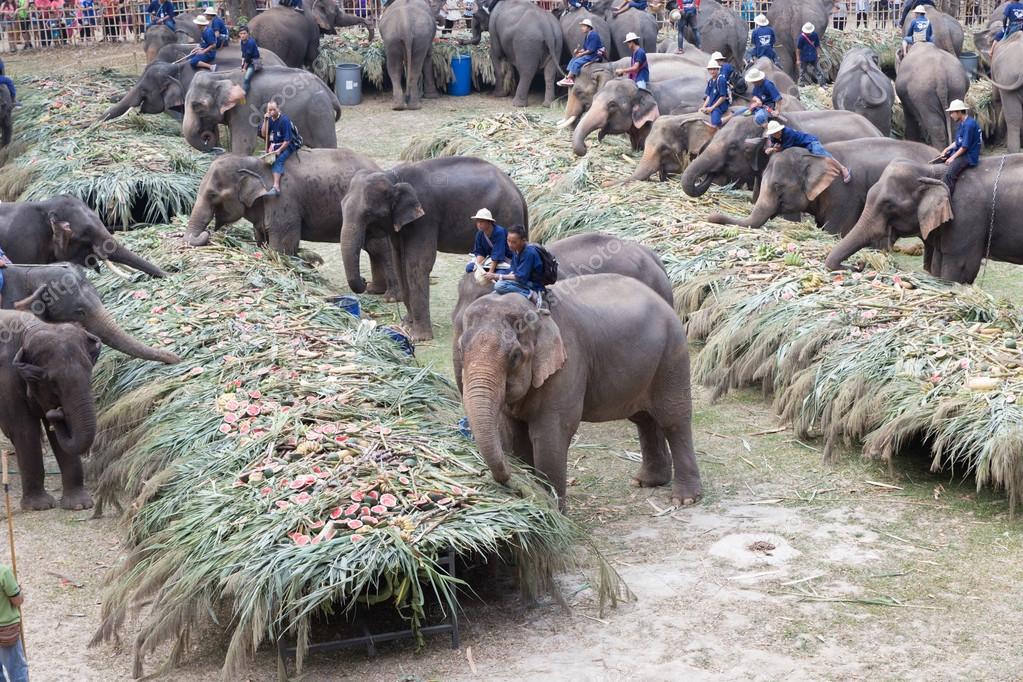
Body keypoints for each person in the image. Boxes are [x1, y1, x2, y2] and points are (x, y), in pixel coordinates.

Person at [764, 119, 852, 183]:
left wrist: (773, 149)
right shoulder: (772, 137)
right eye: (775, 133)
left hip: (809, 142)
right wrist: (771, 148)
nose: (777, 134)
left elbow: (783, 148)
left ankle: (842, 168)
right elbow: (773, 145)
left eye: (778, 131)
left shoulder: (788, 133)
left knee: (822, 154)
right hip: (799, 148)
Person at [485, 224, 545, 306]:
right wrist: (505, 277)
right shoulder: (516, 250)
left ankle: (530, 294)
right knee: (496, 290)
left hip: (532, 283)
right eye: (508, 241)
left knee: (499, 286)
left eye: (513, 242)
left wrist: (497, 276)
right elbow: (514, 270)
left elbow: (520, 276)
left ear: (523, 240)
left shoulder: (529, 253)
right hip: (523, 280)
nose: (510, 244)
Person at [936, 99, 981, 195]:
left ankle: (947, 196)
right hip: (963, 151)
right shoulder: (962, 123)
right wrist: (947, 149)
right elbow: (958, 142)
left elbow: (964, 147)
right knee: (943, 158)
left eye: (952, 113)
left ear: (959, 112)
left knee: (949, 174)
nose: (951, 115)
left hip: (969, 155)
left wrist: (952, 158)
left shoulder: (969, 125)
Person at [262, 101, 296, 197]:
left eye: (274, 109)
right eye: (270, 110)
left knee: (278, 160)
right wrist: (265, 121)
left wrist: (279, 150)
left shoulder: (284, 120)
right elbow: (264, 134)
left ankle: (276, 187)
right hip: (274, 145)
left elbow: (287, 140)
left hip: (288, 145)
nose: (272, 112)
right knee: (266, 160)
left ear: (278, 109)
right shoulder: (269, 120)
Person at [558, 18, 604, 87]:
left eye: (584, 26)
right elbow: (585, 48)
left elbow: (591, 50)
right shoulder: (587, 35)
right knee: (574, 58)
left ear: (589, 27)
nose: (582, 28)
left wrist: (581, 54)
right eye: (582, 26)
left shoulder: (593, 35)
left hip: (595, 55)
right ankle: (569, 76)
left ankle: (569, 78)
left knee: (577, 62)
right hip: (590, 54)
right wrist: (578, 51)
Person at [0, 563, 26, 682]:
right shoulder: (3, 571)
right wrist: (19, 590)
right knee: (17, 670)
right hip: (5, 632)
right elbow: (17, 601)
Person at [465, 208, 510, 276]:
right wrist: (477, 267)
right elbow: (480, 252)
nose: (479, 224)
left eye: (482, 221)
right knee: (469, 268)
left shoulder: (499, 232)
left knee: (499, 274)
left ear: (489, 222)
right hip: (489, 260)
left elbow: (497, 255)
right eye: (477, 221)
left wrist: (490, 272)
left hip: (503, 260)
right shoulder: (479, 234)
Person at [700, 58, 730, 133]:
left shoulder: (721, 80)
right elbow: (709, 95)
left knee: (715, 123)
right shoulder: (710, 81)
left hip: (720, 105)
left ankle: (730, 116)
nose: (712, 71)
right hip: (712, 103)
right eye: (710, 69)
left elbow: (723, 97)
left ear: (718, 69)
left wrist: (712, 108)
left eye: (714, 69)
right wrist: (703, 106)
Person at [238, 25, 261, 97]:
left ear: (248, 34)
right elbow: (243, 54)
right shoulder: (242, 42)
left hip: (254, 62)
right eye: (241, 33)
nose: (242, 35)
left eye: (244, 33)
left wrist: (244, 68)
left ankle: (244, 95)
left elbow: (248, 57)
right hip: (247, 60)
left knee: (247, 78)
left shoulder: (251, 42)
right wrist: (242, 65)